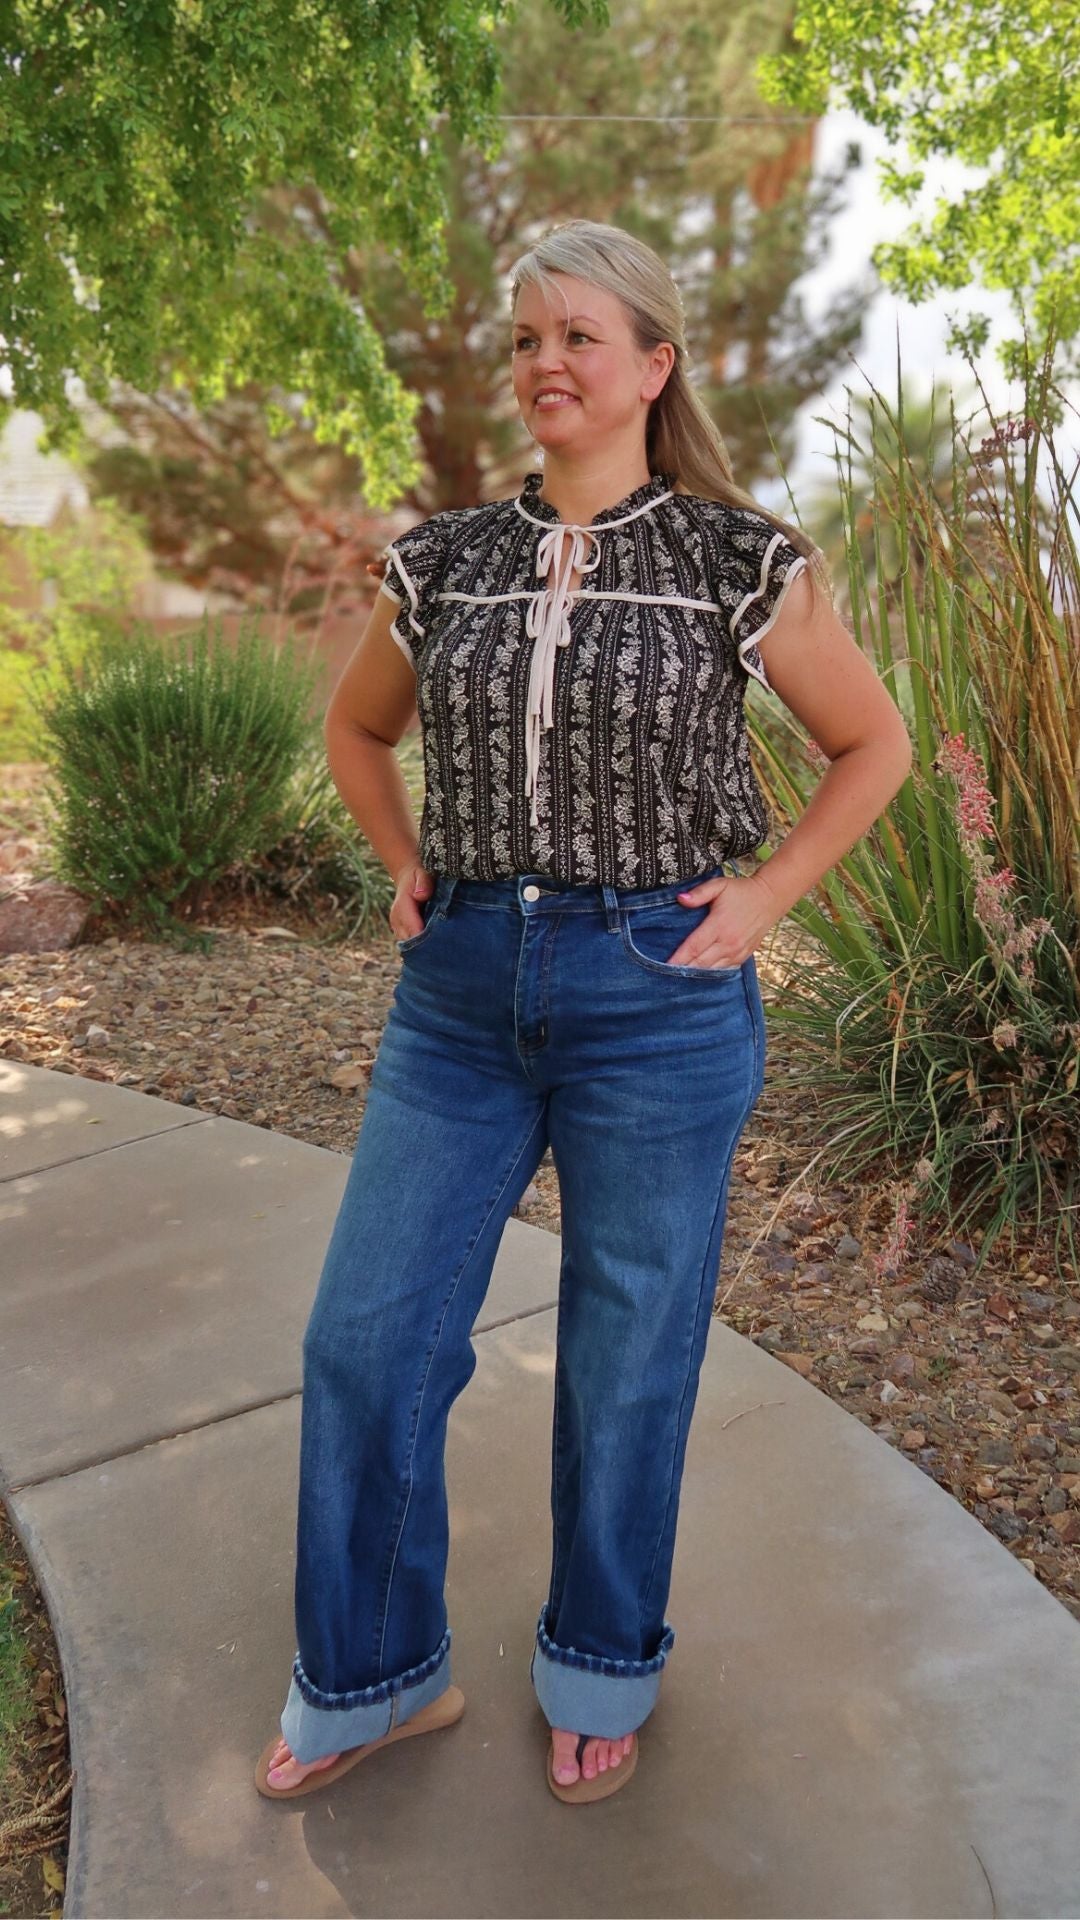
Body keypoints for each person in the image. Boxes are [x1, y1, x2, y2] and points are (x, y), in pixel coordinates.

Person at [255, 219, 912, 1807]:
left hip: (658, 1002)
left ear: (653, 365)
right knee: (366, 1340)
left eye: (579, 336)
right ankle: (371, 1678)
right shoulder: (446, 560)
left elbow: (874, 746)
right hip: (461, 997)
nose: (545, 362)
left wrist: (762, 899)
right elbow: (357, 733)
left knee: (627, 1364)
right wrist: (405, 865)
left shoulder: (736, 559)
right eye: (528, 339)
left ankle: (602, 1665)